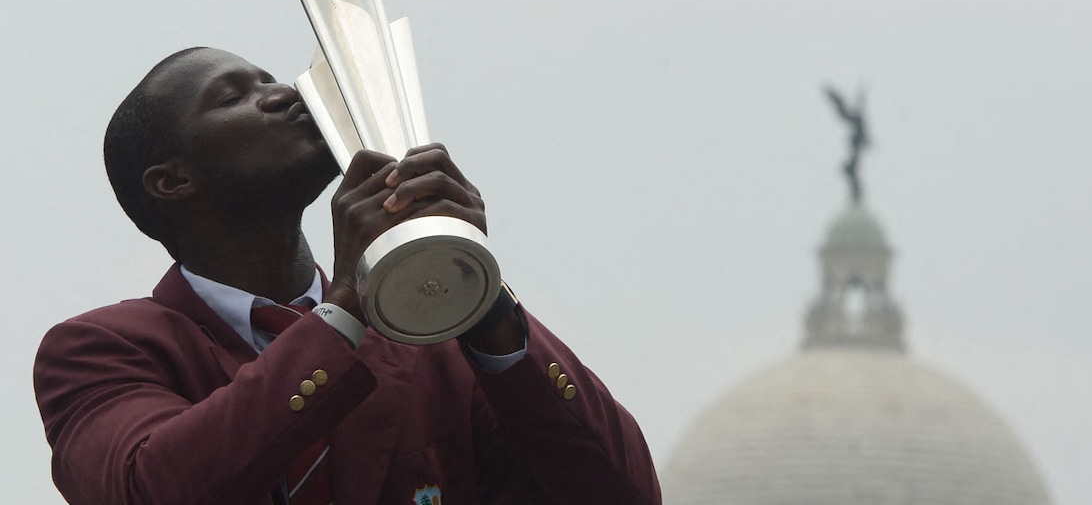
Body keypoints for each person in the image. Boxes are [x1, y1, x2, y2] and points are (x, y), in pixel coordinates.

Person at [34, 47, 661, 505]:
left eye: (271, 79)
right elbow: (153, 490)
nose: (287, 93)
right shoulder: (101, 351)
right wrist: (345, 308)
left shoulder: (431, 338)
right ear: (172, 181)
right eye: (233, 97)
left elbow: (622, 491)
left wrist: (480, 293)